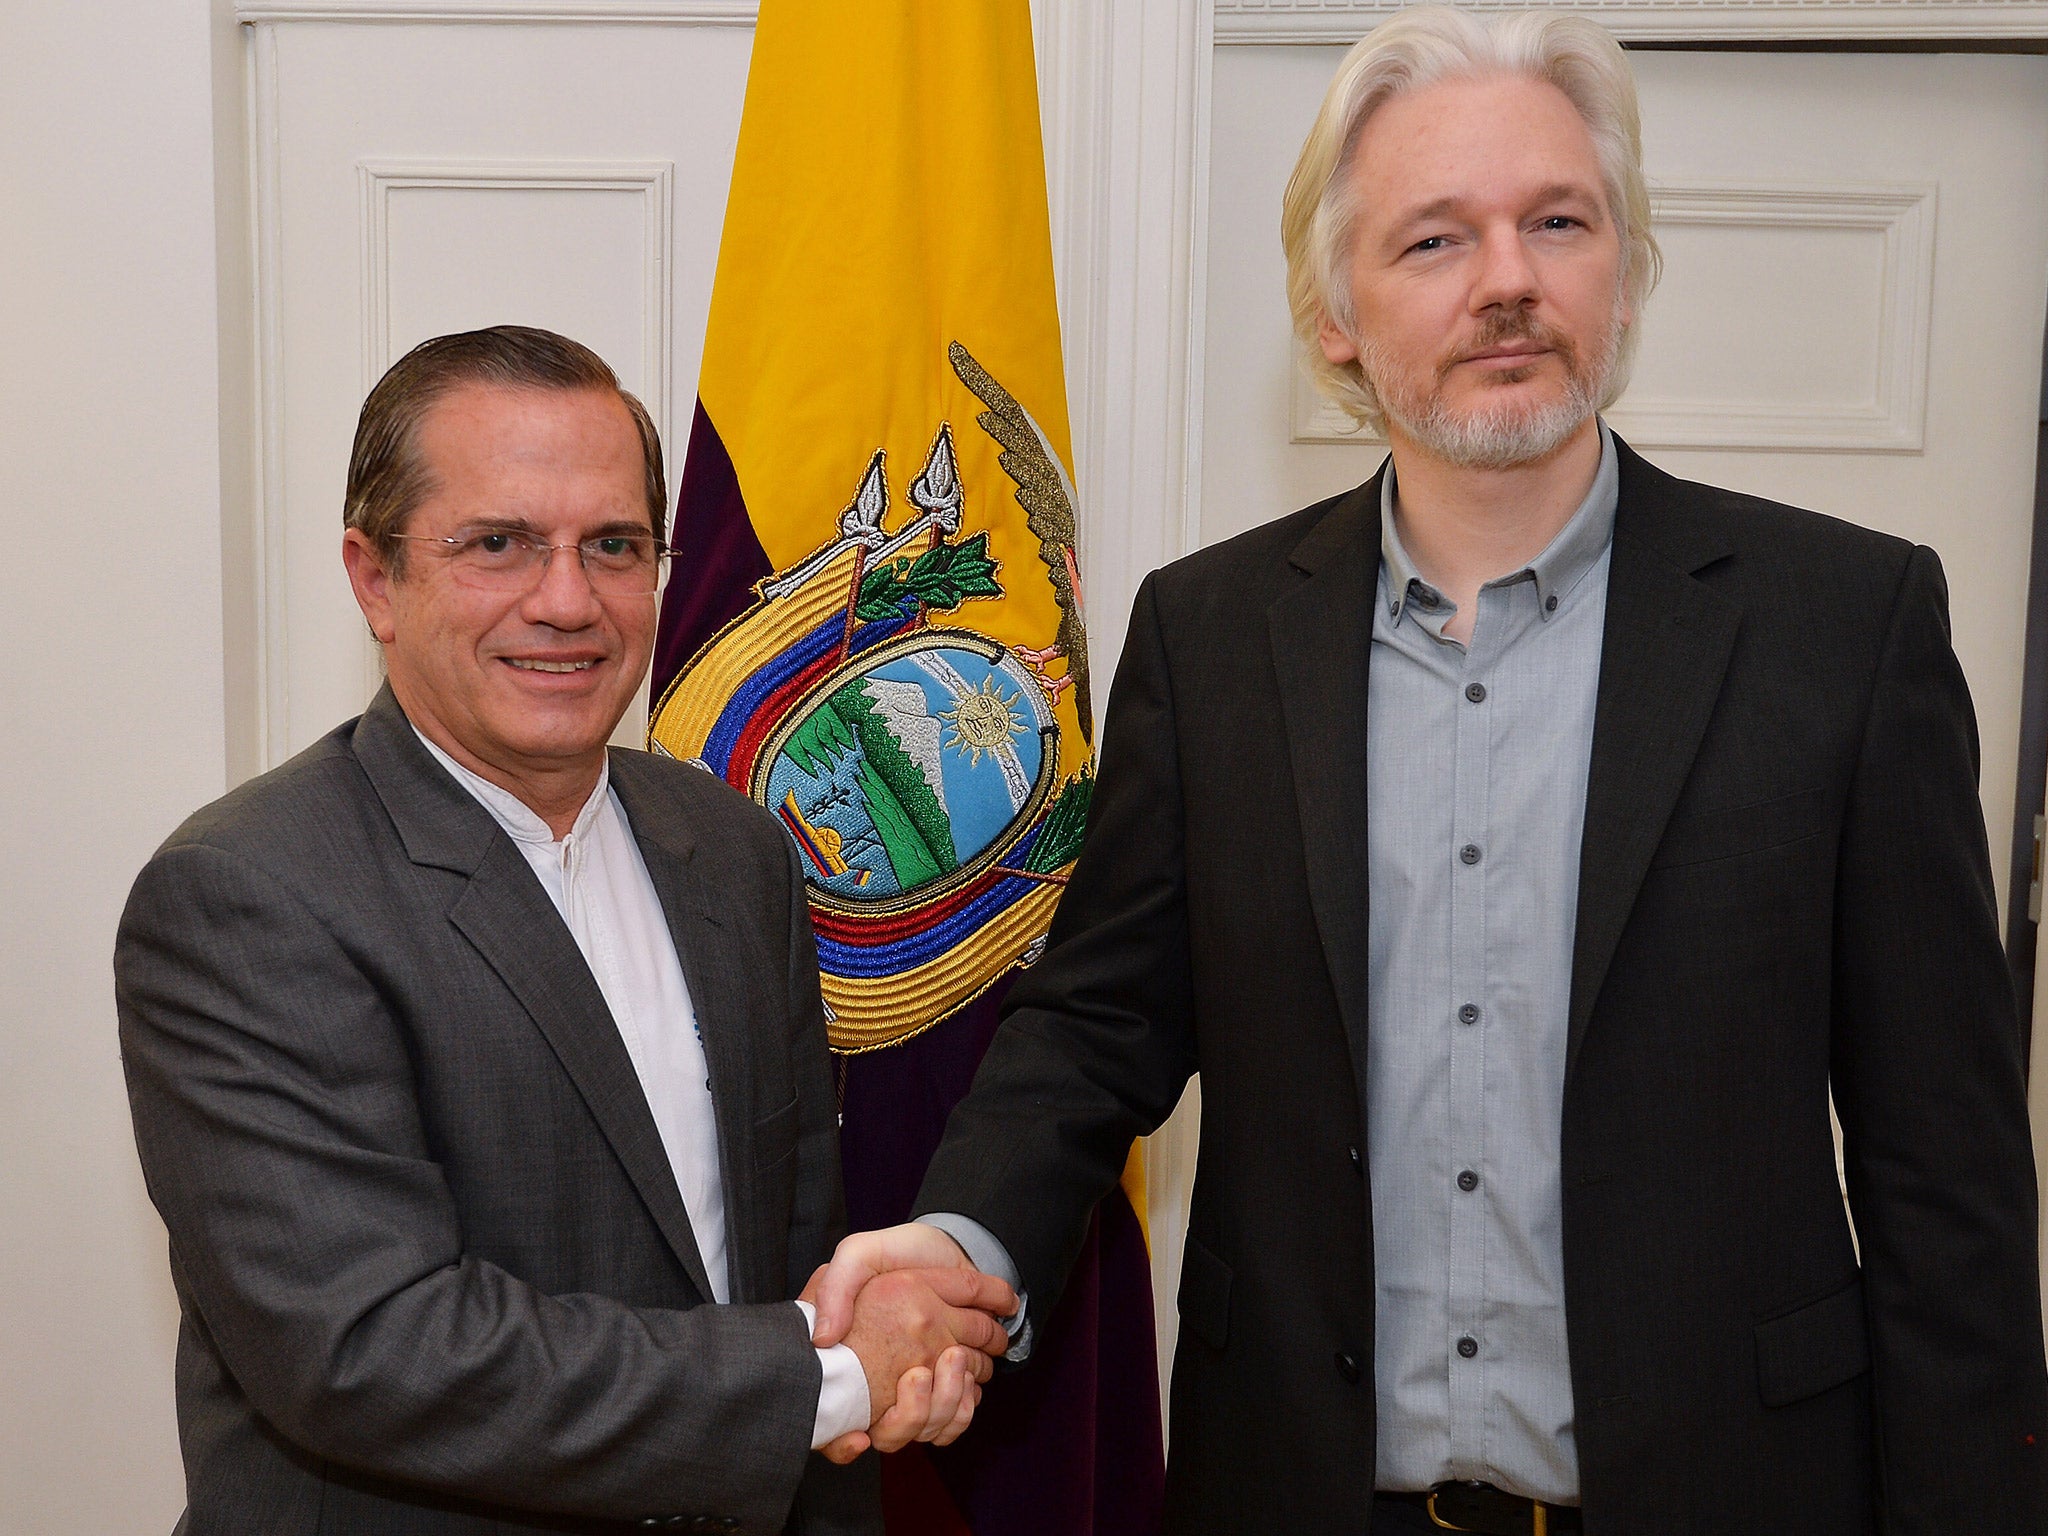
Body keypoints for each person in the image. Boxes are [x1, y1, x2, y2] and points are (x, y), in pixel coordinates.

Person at [805, 10, 2048, 1534]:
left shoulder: (1844, 628)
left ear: (1625, 269)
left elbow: (1950, 1178)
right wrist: (959, 1239)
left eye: (1559, 222)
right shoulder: (1208, 636)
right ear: (1335, 314)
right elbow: (1099, 1021)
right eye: (1435, 241)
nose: (1509, 279)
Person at [115, 325, 1011, 1535]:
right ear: (374, 579)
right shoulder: (245, 896)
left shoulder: (735, 850)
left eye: (614, 546)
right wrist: (839, 1375)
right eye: (498, 544)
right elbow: (372, 1349)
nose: (567, 601)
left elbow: (785, 1262)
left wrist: (861, 1368)